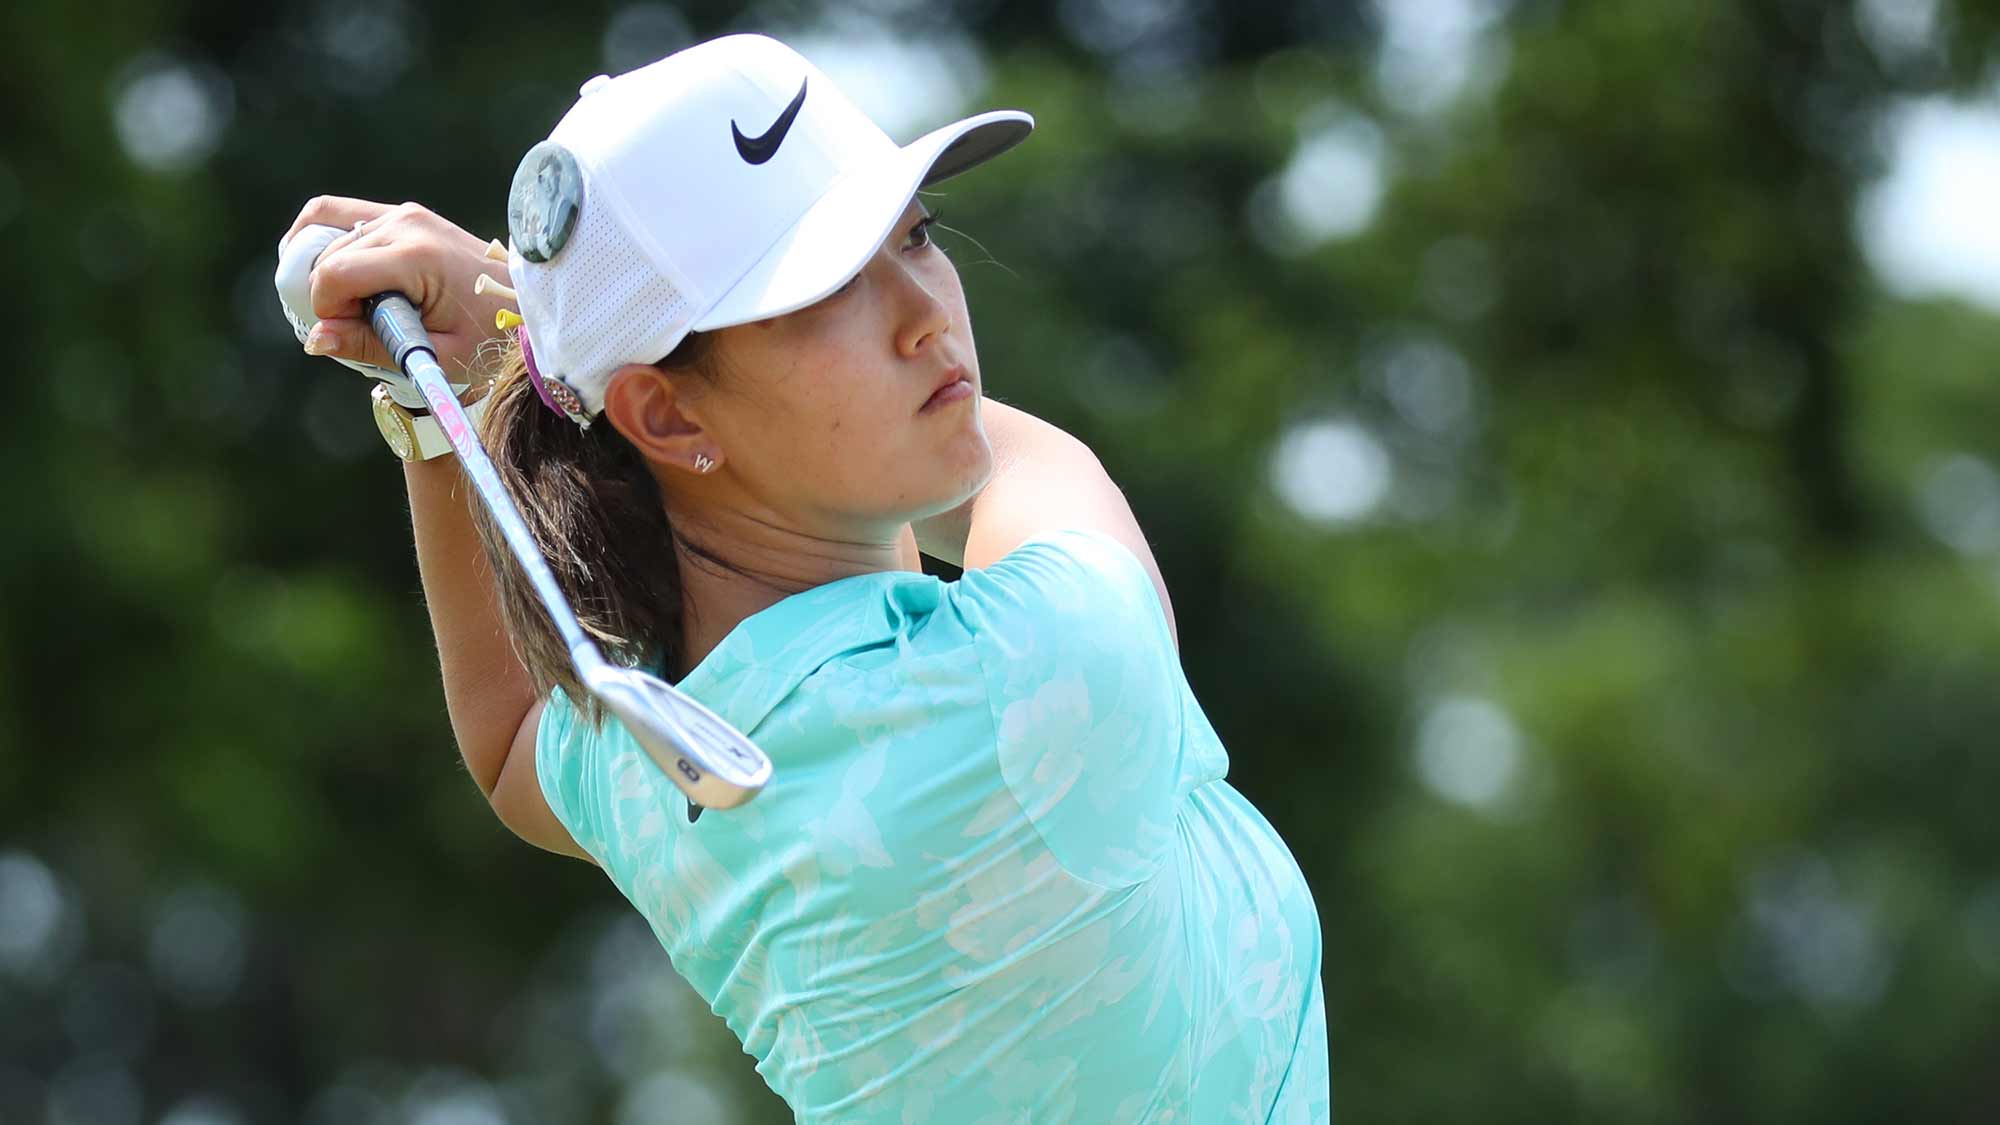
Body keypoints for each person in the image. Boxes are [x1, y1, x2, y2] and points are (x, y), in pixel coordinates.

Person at [283, 33, 1329, 1122]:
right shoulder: (1038, 679)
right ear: (669, 413)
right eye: (827, 289)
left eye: (915, 235)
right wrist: (513, 321)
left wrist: (476, 388)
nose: (927, 313)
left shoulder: (663, 748)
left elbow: (509, 746)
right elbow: (1030, 460)